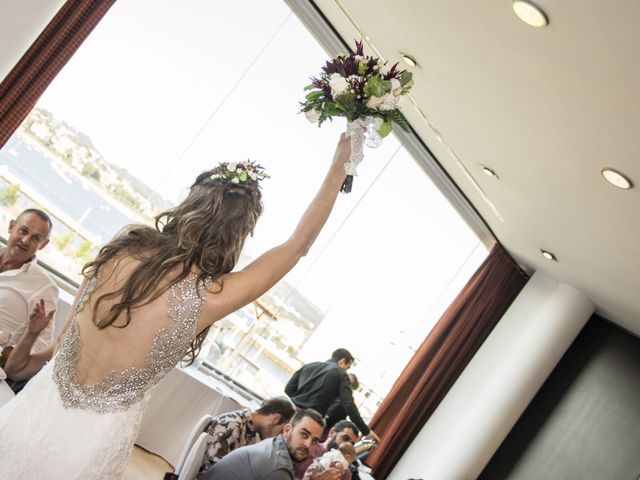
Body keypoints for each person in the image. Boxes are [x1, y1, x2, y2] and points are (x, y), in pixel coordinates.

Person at [0, 133, 353, 480]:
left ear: (191, 204)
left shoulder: (125, 243)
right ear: (237, 236)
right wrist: (340, 165)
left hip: (30, 413)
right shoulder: (210, 297)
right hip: (87, 449)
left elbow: (63, 340)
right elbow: (297, 246)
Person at [201, 408, 342, 480]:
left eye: (314, 441)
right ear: (287, 430)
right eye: (304, 434)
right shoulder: (277, 466)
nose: (307, 444)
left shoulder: (275, 444)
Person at [285, 349, 380, 443]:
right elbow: (349, 404)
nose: (346, 370)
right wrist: (366, 431)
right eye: (348, 367)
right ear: (342, 361)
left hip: (288, 410)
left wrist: (301, 400)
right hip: (306, 420)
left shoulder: (310, 365)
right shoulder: (341, 373)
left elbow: (288, 389)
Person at [0, 209, 58, 359]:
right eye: (23, 231)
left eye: (35, 238)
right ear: (11, 226)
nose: (25, 240)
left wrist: (5, 353)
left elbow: (41, 345)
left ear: (43, 245)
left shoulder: (45, 287)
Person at [196, 396, 296, 478]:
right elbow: (213, 472)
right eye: (281, 431)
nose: (278, 437)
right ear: (275, 418)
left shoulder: (250, 430)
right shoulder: (232, 425)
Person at [295, 419, 359, 480]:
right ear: (332, 432)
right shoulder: (307, 449)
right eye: (345, 438)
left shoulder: (345, 472)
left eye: (351, 444)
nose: (347, 445)